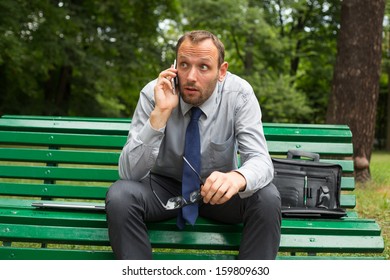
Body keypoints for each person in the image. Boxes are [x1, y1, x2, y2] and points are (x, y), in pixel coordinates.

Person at [105, 30, 281, 260]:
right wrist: (161, 113)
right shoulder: (154, 92)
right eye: (184, 65)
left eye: (204, 67)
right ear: (174, 64)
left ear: (222, 71)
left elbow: (261, 160)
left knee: (267, 197)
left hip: (219, 192)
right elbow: (128, 173)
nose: (190, 77)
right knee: (120, 196)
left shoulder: (239, 94)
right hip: (163, 187)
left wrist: (237, 178)